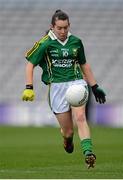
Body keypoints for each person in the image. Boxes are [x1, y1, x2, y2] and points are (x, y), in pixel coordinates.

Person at [22, 9, 106, 169]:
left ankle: (88, 152)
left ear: (69, 26)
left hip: (76, 83)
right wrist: (29, 87)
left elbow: (84, 64)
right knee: (68, 132)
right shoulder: (44, 43)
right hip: (56, 88)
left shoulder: (76, 41)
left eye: (65, 27)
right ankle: (67, 140)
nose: (62, 31)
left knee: (81, 117)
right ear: (52, 26)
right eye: (59, 28)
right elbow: (30, 64)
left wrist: (95, 86)